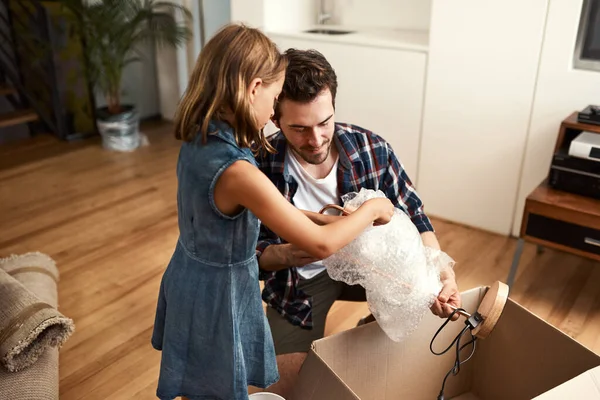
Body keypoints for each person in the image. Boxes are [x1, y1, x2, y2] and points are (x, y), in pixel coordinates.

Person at [150, 24, 396, 400]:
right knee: (220, 386)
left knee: (204, 377)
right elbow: (320, 245)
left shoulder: (202, 138)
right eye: (276, 96)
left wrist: (331, 220)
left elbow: (283, 211)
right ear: (253, 89)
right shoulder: (237, 171)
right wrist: (373, 209)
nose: (272, 113)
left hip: (191, 275)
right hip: (220, 292)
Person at [255, 48, 462, 397]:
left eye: (324, 122)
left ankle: (372, 326)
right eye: (300, 129)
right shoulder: (259, 166)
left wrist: (442, 274)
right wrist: (287, 254)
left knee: (424, 315)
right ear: (275, 119)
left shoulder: (371, 148)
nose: (317, 139)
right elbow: (249, 255)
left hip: (375, 269)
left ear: (333, 105)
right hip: (297, 284)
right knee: (285, 386)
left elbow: (415, 214)